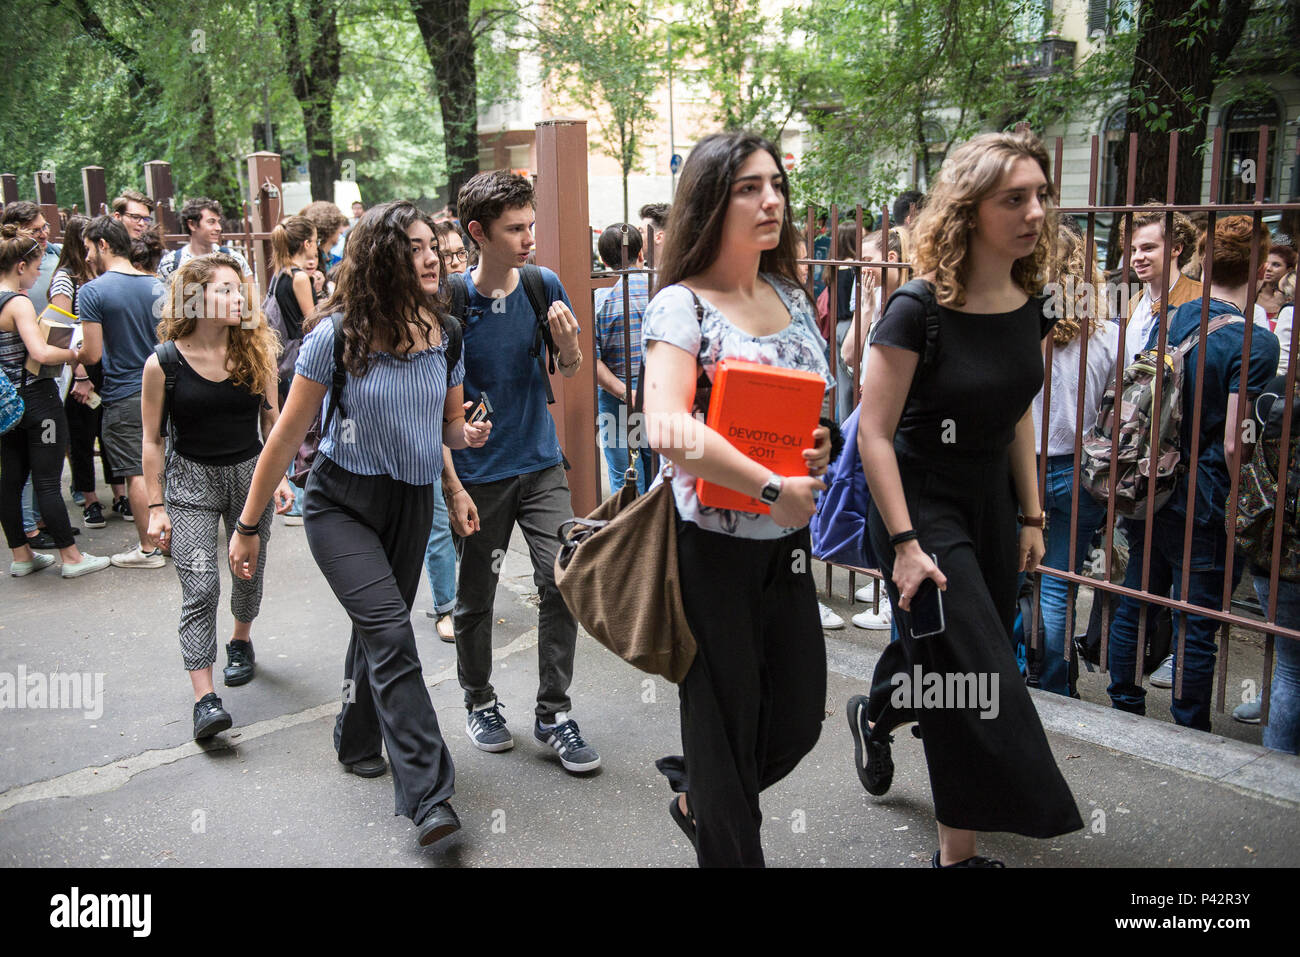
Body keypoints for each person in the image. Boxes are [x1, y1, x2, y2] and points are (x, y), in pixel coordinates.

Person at [845, 130, 1084, 867]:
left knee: (948, 659)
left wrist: (1033, 514)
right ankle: (961, 854)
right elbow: (874, 435)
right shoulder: (917, 308)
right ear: (970, 209)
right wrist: (908, 543)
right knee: (973, 671)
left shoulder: (1032, 302)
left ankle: (875, 711)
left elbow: (1016, 409)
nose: (1036, 211)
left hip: (991, 503)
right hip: (921, 504)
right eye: (1016, 198)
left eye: (1041, 195)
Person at [228, 200, 490, 848]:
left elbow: (443, 427)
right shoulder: (335, 337)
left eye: (435, 243)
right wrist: (248, 525)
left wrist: (463, 455)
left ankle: (354, 733)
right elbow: (285, 438)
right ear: (381, 259)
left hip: (409, 502)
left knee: (378, 631)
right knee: (392, 631)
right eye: (415, 247)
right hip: (341, 505)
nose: (432, 256)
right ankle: (429, 793)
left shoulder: (446, 332)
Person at [639, 131, 834, 866]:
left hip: (783, 548)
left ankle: (702, 796)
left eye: (776, 184)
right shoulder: (680, 305)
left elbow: (810, 415)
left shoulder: (788, 292)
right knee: (724, 735)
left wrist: (814, 450)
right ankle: (718, 811)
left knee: (795, 721)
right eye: (749, 187)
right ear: (711, 203)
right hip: (709, 551)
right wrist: (769, 484)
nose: (771, 200)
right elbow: (665, 423)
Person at [443, 169, 599, 773]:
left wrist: (566, 348)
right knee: (476, 596)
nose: (529, 237)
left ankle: (553, 712)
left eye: (531, 225)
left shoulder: (542, 284)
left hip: (539, 465)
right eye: (515, 229)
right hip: (479, 474)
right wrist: (455, 462)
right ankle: (479, 701)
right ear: (478, 233)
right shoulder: (452, 299)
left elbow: (569, 364)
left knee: (563, 577)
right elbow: (435, 390)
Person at [1107, 216, 1280, 731]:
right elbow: (1235, 439)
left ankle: (1124, 705)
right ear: (1256, 267)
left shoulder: (1173, 317)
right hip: (1203, 496)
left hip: (1150, 481)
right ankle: (1188, 724)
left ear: (1202, 259)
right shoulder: (1256, 341)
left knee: (1138, 597)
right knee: (1195, 619)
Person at [142, 253, 292, 739]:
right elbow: (152, 440)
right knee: (201, 585)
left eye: (238, 289)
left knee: (248, 571)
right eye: (222, 289)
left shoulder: (257, 351)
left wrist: (282, 479)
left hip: (251, 476)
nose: (235, 298)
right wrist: (156, 506)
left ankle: (240, 640)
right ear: (193, 295)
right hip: (190, 482)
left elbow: (274, 424)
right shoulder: (163, 362)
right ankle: (206, 699)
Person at [1031, 219, 1120, 696]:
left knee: (1010, 575)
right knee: (1059, 583)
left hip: (1023, 465)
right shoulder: (1109, 336)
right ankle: (1054, 683)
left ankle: (1011, 670)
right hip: (1081, 468)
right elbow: (1115, 409)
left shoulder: (1022, 330)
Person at [0, 225, 110, 579]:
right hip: (36, 400)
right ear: (20, 266)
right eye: (34, 268)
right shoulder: (16, 302)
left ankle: (21, 555)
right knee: (48, 481)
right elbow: (40, 351)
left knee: (11, 479)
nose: (36, 275)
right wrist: (74, 352)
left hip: (6, 405)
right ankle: (72, 557)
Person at [76, 215, 170, 568]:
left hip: (125, 392)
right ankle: (169, 539)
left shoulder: (93, 291)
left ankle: (149, 548)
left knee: (136, 470)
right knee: (165, 464)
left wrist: (71, 354)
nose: (86, 257)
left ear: (103, 244)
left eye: (88, 248)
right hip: (165, 388)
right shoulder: (157, 286)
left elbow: (92, 353)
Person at [48, 215, 114, 529]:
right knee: (83, 435)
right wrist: (80, 372)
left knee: (109, 432)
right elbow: (62, 330)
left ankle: (120, 493)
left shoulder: (102, 273)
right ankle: (89, 498)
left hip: (106, 364)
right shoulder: (66, 278)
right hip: (81, 366)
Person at [423, 219, 470, 640]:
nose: (453, 262)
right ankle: (446, 604)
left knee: (460, 513)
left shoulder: (471, 297)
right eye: (445, 254)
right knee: (438, 514)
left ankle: (459, 594)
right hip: (428, 428)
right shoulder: (425, 310)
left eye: (459, 253)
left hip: (465, 423)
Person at [593, 223, 655, 496]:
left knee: (626, 479)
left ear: (604, 261)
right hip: (658, 391)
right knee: (660, 472)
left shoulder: (601, 299)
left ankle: (631, 534)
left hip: (615, 395)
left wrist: (624, 392)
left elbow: (593, 361)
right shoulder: (661, 291)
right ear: (641, 252)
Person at [266, 215, 320, 526]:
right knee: (302, 428)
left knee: (287, 424)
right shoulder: (299, 277)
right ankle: (298, 499)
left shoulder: (279, 275)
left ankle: (290, 493)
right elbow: (311, 320)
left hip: (281, 357)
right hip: (298, 355)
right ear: (307, 243)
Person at [158, 199, 253, 282]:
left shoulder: (235, 259)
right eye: (211, 222)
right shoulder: (171, 263)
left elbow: (251, 300)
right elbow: (162, 301)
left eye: (218, 222)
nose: (218, 228)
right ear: (192, 225)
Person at [300, 201, 349, 295]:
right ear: (331, 228)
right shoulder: (312, 263)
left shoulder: (333, 258)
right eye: (339, 226)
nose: (342, 231)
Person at [1258, 242, 1296, 326]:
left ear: (1289, 270)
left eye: (1276, 265)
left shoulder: (1292, 300)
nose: (1268, 268)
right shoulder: (1250, 296)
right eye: (1266, 263)